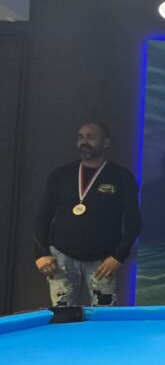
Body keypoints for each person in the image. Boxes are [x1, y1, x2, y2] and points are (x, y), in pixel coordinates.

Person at [33, 122, 141, 306]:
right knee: (63, 314)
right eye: (80, 137)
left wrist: (118, 256)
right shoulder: (61, 175)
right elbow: (42, 217)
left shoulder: (122, 177)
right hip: (62, 258)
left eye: (90, 137)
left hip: (103, 260)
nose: (84, 141)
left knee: (104, 315)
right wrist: (41, 253)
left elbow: (134, 222)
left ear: (106, 143)